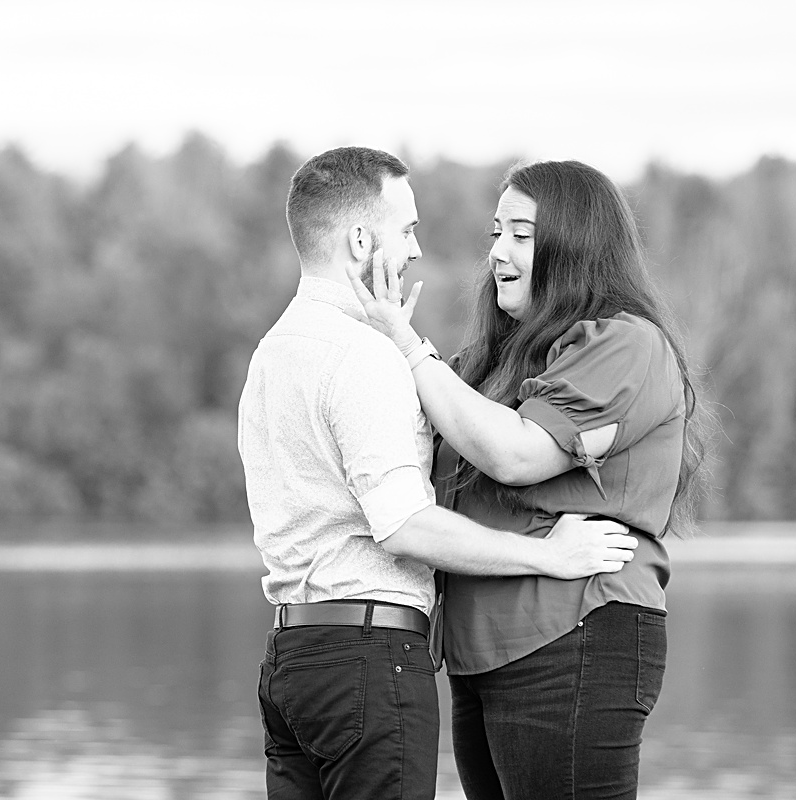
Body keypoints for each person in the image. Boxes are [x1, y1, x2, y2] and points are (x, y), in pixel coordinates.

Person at [238, 147, 641, 800]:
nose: (416, 251)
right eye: (407, 230)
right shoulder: (365, 357)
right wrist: (547, 555)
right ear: (362, 239)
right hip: (367, 659)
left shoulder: (271, 355)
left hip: (291, 660)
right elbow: (402, 525)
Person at [347, 159, 707, 799]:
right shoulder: (494, 362)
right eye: (494, 234)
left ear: (575, 247)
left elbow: (517, 455)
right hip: (480, 658)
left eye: (521, 234)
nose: (497, 253)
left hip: (574, 638)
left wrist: (409, 347)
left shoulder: (625, 344)